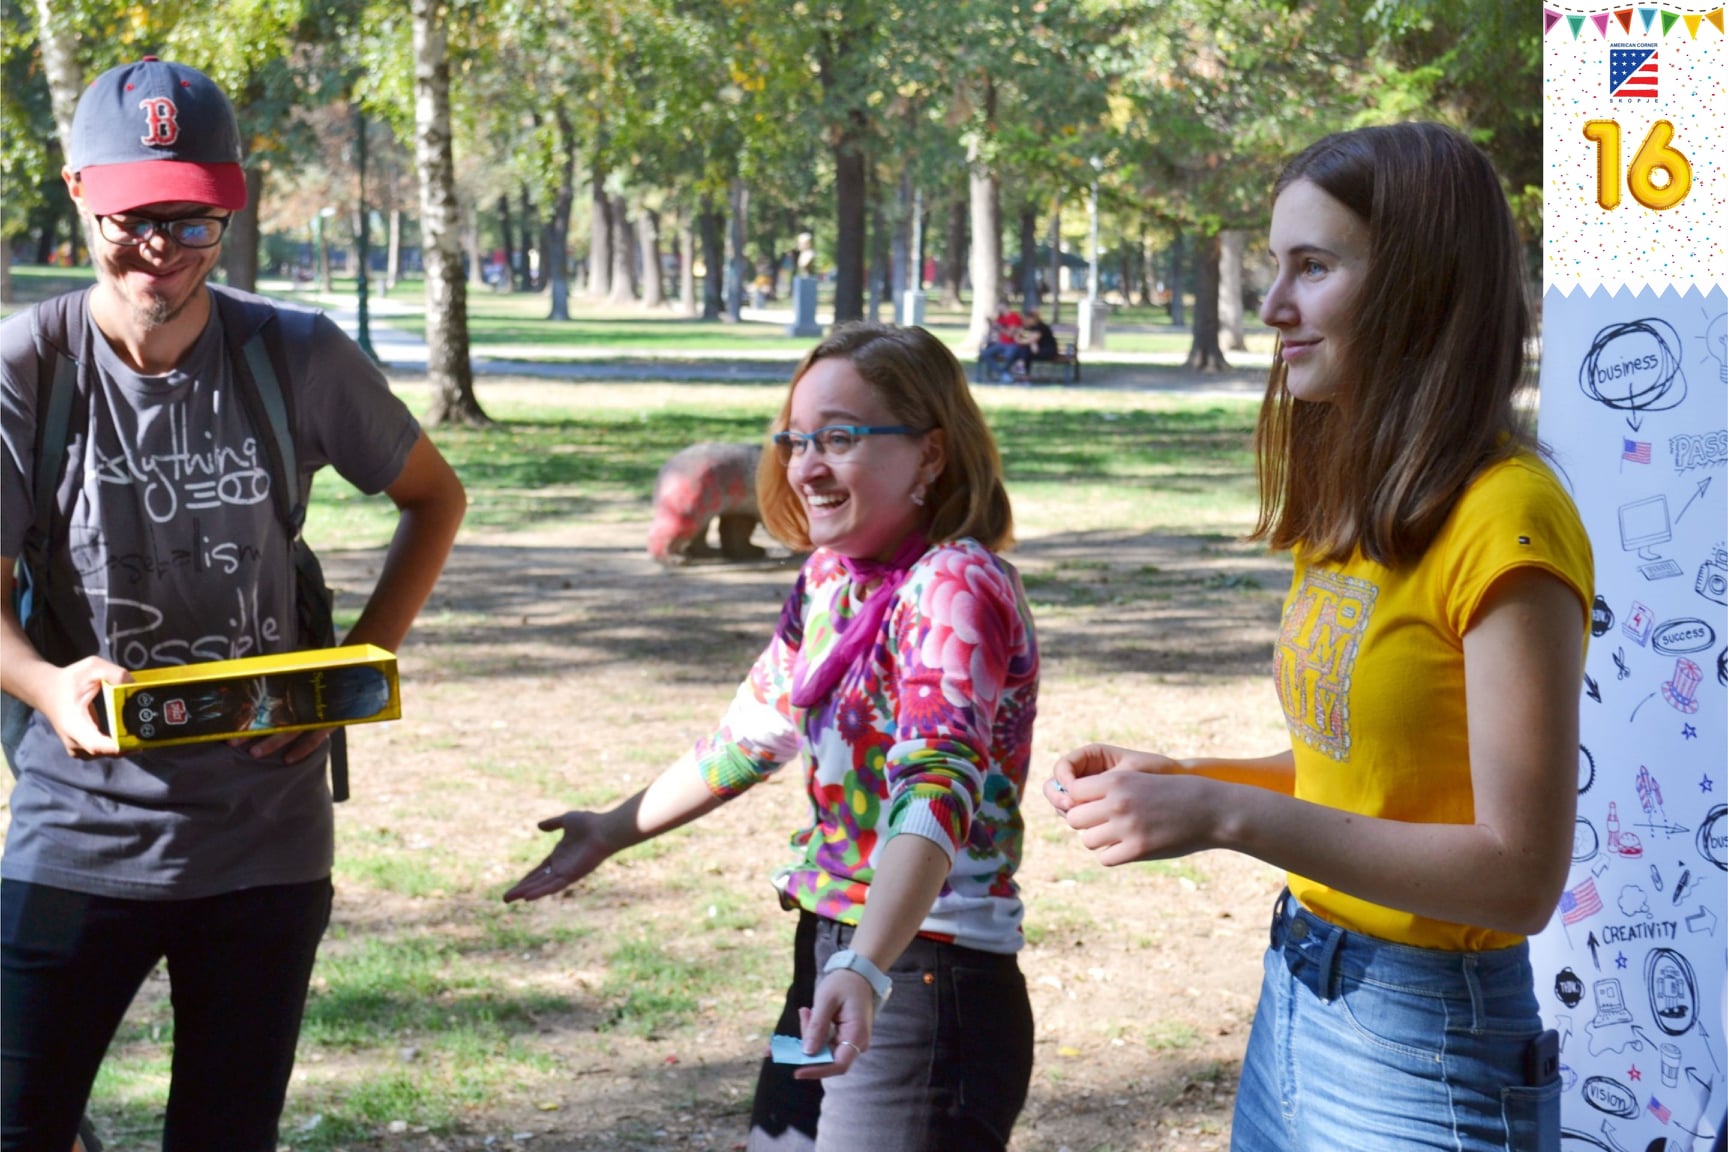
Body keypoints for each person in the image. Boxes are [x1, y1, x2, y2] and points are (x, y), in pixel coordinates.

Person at [1046, 122, 1591, 1150]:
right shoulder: (1362, 497)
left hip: (1428, 1049)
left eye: (1314, 267)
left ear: (1420, 288)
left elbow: (1519, 877)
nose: (1271, 307)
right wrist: (1195, 777)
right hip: (1300, 998)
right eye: (1274, 266)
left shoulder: (1507, 518)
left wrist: (1224, 816)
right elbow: (1368, 775)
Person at [0, 58, 467, 1152]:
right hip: (76, 834)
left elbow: (433, 498)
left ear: (232, 204)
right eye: (133, 215)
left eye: (194, 218)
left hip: (265, 847)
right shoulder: (28, 367)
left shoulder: (293, 354)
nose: (161, 247)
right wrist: (43, 681)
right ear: (78, 191)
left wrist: (349, 673)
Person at [506, 323, 1040, 1152]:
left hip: (925, 974)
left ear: (931, 454)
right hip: (834, 951)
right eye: (796, 440)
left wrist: (864, 966)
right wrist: (610, 831)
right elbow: (754, 734)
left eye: (840, 438)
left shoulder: (953, 587)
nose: (805, 467)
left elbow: (937, 792)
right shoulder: (832, 578)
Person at [977, 301, 1023, 382]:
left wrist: (999, 327)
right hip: (1001, 344)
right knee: (984, 354)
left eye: (999, 306)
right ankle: (1003, 373)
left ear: (1005, 306)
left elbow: (1010, 334)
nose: (998, 308)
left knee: (1008, 356)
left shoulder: (1014, 316)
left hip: (1012, 344)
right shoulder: (1000, 318)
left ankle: (1005, 374)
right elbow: (996, 333)